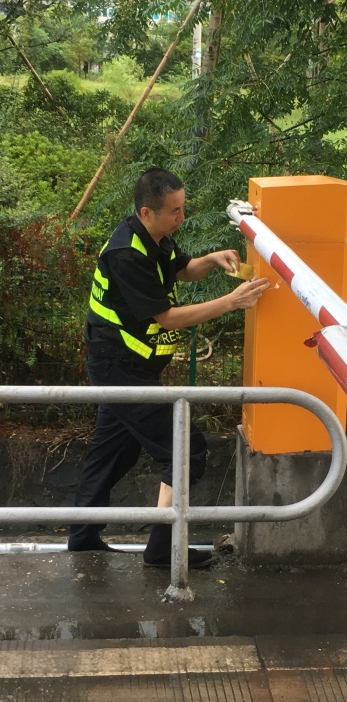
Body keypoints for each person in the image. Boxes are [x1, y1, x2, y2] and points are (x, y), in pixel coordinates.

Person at [68, 167, 269, 567]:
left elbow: (181, 269)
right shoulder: (127, 254)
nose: (182, 216)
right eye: (174, 210)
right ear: (147, 212)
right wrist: (231, 302)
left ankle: (82, 537)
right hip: (119, 368)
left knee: (113, 453)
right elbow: (168, 318)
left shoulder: (154, 237)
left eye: (182, 207)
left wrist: (211, 259)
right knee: (185, 447)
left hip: (131, 367)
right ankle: (163, 549)